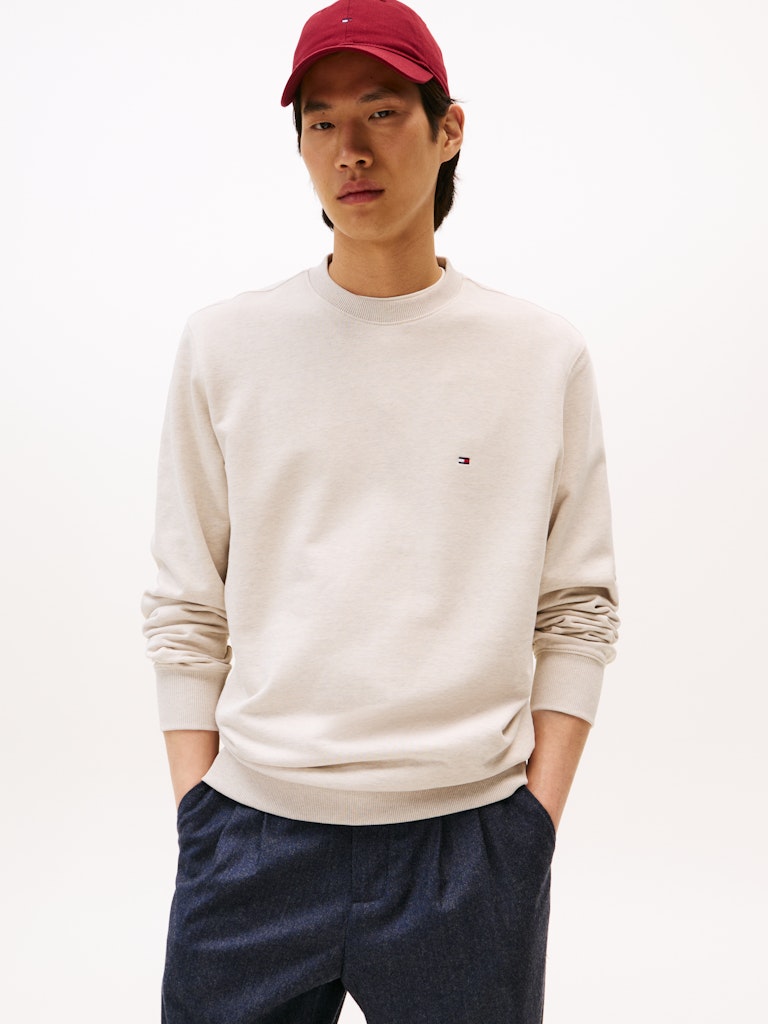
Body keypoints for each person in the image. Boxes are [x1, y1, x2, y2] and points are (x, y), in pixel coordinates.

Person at [142, 1, 620, 1021]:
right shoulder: (227, 345)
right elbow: (185, 602)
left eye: (382, 111)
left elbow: (577, 605)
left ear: (449, 130)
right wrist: (199, 814)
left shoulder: (539, 355)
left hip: (469, 846)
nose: (349, 149)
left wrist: (531, 825)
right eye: (320, 122)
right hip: (252, 837)